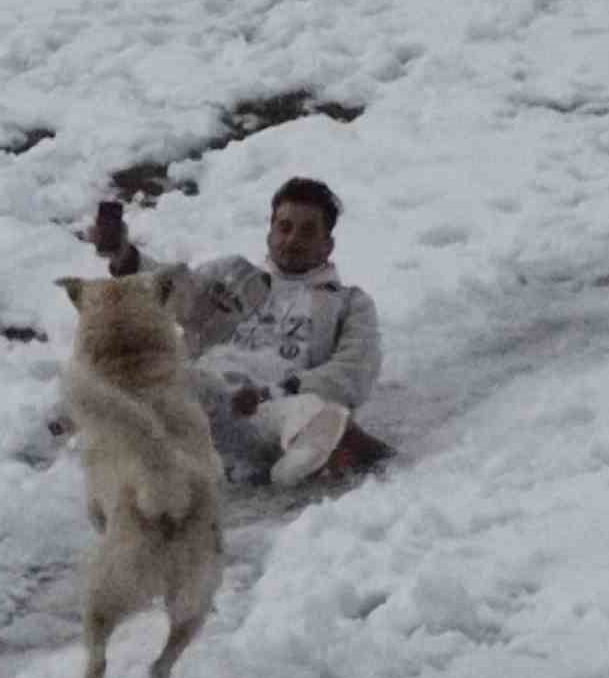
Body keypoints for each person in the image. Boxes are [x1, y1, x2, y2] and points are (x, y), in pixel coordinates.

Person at [87, 177, 391, 485]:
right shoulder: (234, 275)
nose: (292, 239)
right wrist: (125, 257)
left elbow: (353, 370)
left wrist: (277, 390)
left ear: (328, 245)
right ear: (270, 233)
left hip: (272, 408)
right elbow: (178, 291)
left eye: (308, 231)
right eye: (284, 227)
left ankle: (309, 447)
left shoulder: (349, 303)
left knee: (307, 413)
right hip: (204, 397)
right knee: (150, 372)